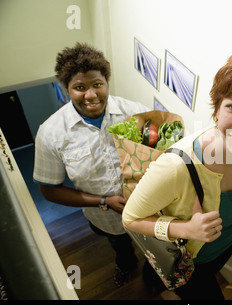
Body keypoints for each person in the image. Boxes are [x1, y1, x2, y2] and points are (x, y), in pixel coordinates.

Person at [122, 49, 232, 299]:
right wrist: (185, 230)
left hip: (222, 251)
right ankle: (157, 283)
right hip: (189, 261)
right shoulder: (175, 167)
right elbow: (130, 219)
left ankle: (157, 282)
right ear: (217, 110)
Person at [33, 43, 150, 287]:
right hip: (104, 217)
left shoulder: (136, 112)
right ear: (65, 89)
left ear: (106, 82)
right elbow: (49, 189)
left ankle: (154, 276)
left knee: (153, 247)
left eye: (97, 84)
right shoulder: (51, 133)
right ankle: (126, 265)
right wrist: (103, 201)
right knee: (121, 246)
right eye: (79, 87)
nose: (91, 95)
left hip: (147, 208)